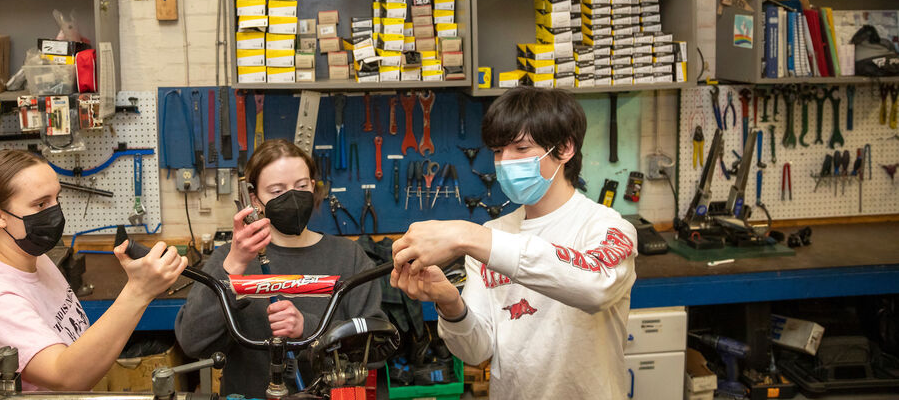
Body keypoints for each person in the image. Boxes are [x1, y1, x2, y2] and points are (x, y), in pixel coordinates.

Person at [389, 87, 637, 400]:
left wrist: (467, 235)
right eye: (497, 151)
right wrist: (450, 303)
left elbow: (594, 287)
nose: (505, 162)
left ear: (565, 148)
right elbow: (476, 351)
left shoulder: (608, 228)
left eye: (521, 148)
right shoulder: (492, 235)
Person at [0, 149, 185, 399]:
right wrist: (138, 291)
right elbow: (66, 377)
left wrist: (138, 288)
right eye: (41, 204)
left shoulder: (38, 260)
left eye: (56, 199)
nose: (56, 212)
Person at [175, 139, 384, 399]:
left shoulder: (349, 257)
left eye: (302, 186)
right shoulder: (231, 260)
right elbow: (193, 342)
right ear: (255, 199)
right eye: (277, 190)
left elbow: (375, 349)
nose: (293, 198)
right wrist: (235, 266)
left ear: (313, 186)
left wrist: (308, 329)